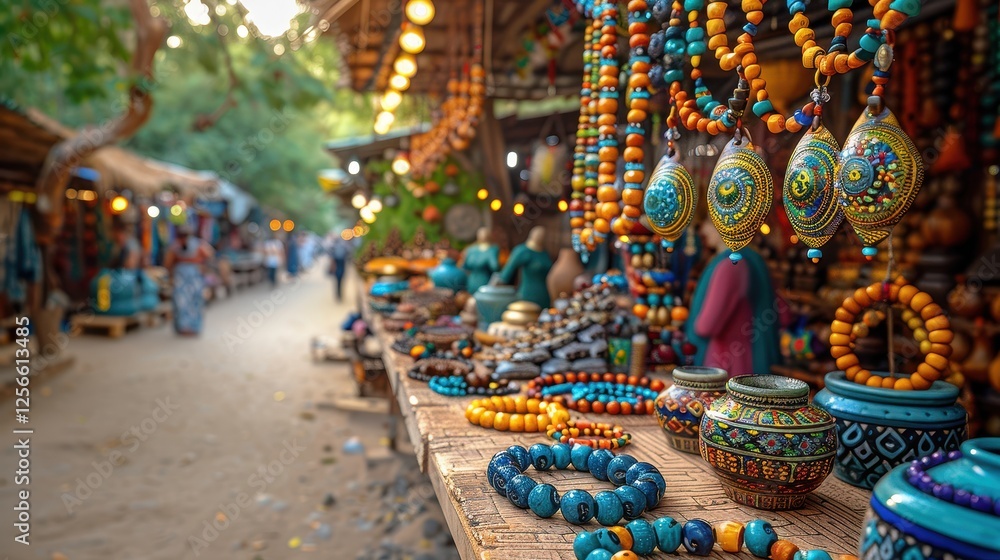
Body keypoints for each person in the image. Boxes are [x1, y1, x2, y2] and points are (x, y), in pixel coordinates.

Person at [685, 220, 783, 375]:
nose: (703, 229)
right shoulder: (752, 259)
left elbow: (706, 326)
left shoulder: (731, 265)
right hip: (748, 355)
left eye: (710, 222)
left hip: (729, 364)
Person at [165, 225, 213, 336]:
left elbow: (209, 255)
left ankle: (190, 327)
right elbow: (168, 262)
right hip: (183, 278)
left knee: (190, 301)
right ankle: (185, 327)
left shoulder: (196, 245)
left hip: (190, 277)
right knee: (183, 302)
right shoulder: (177, 246)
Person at [328, 234, 353, 302]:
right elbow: (349, 254)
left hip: (338, 264)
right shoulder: (344, 245)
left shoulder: (334, 246)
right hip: (340, 264)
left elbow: (330, 254)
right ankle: (339, 295)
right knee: (340, 280)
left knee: (338, 281)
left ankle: (338, 295)